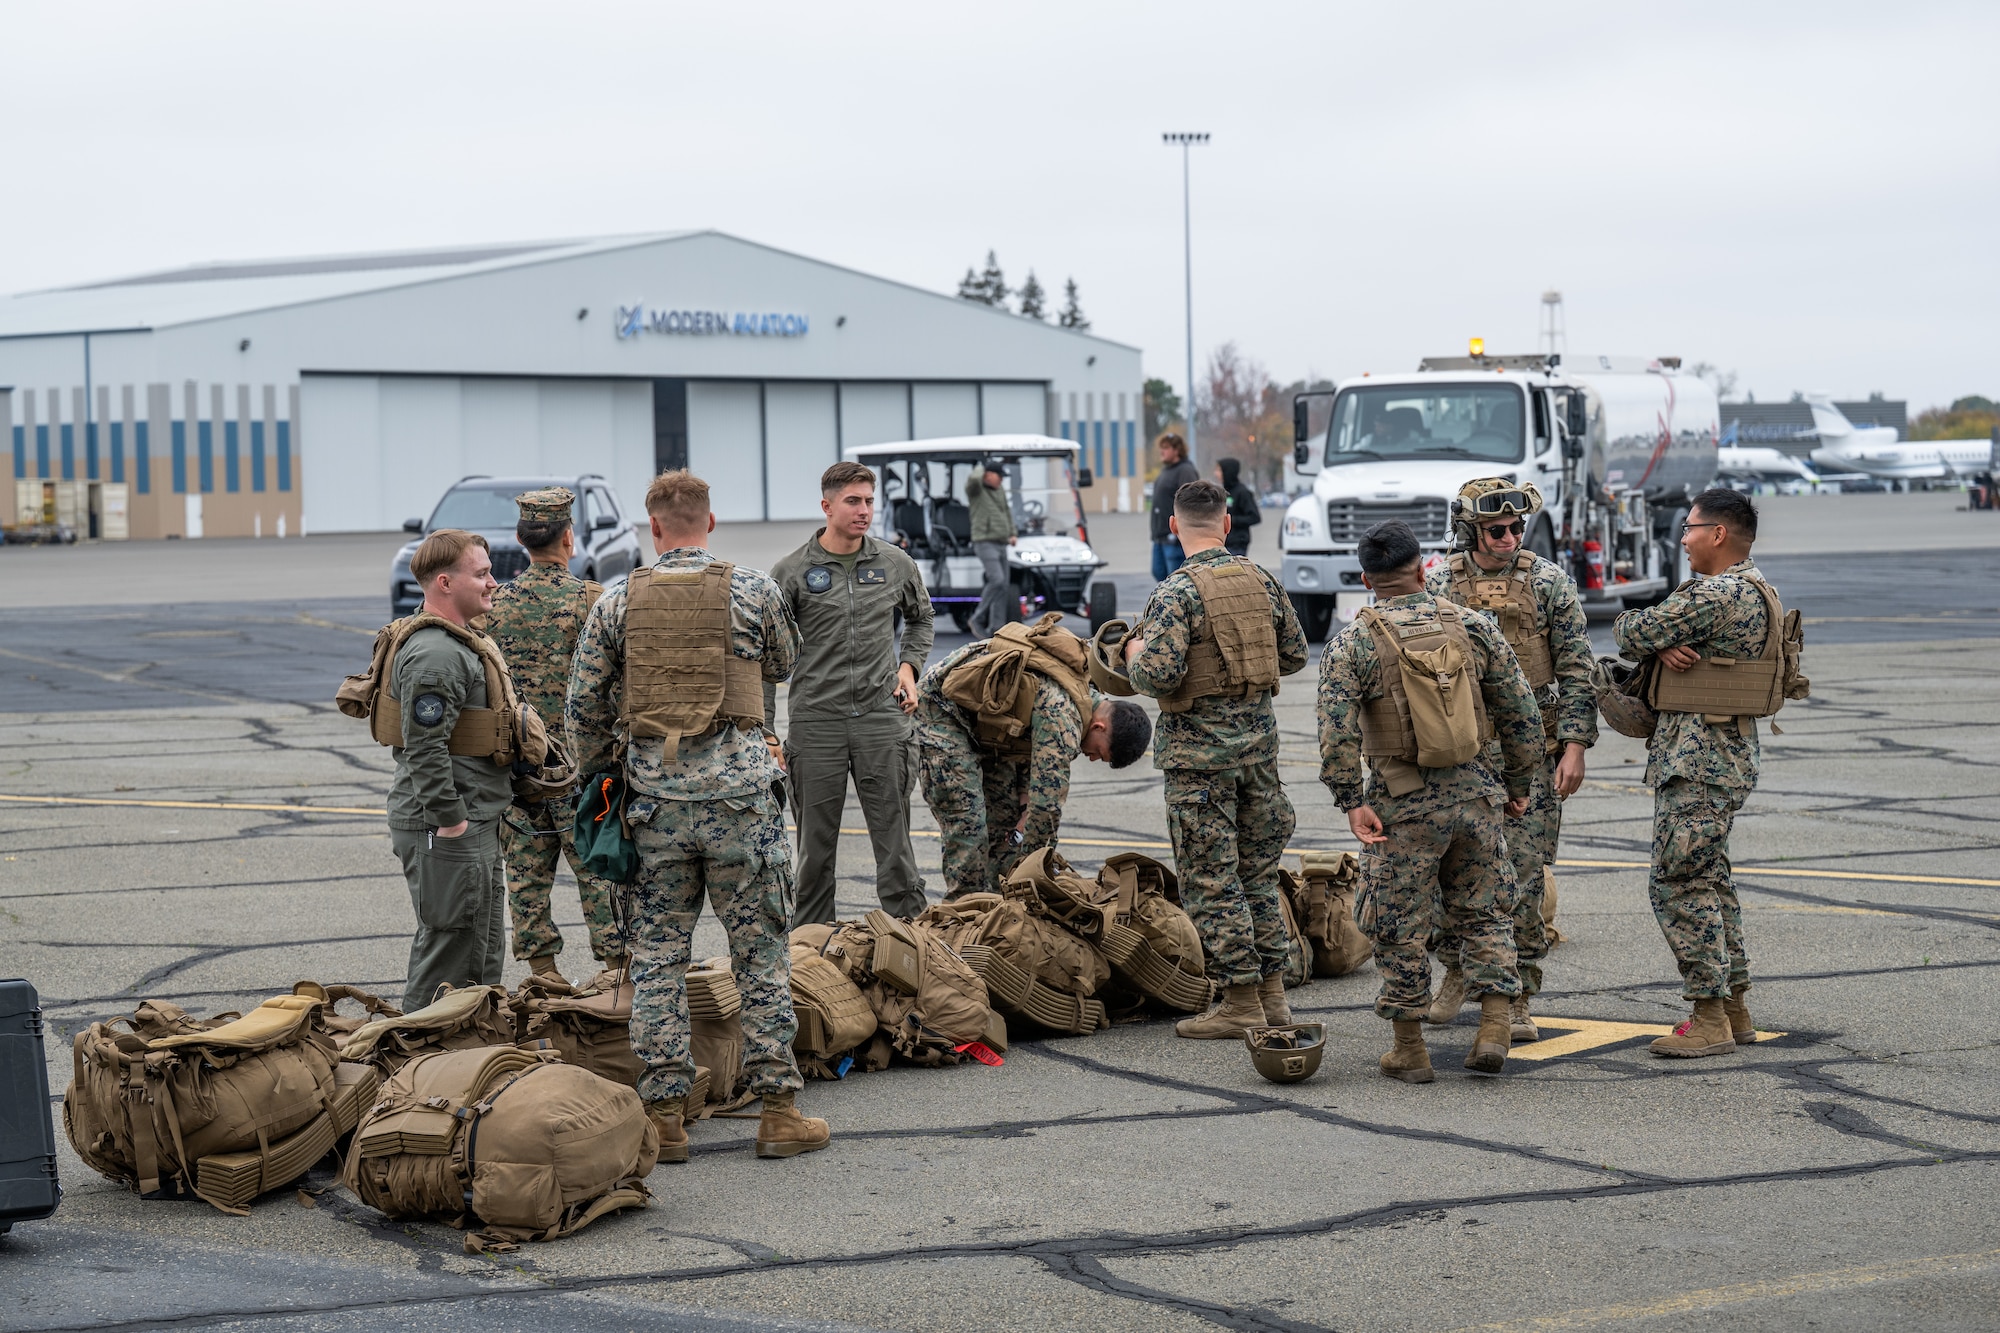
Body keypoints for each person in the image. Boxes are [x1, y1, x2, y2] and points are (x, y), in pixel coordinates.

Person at [568, 469, 826, 1162]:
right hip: (741, 804)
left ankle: (665, 1117)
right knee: (761, 955)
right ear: (709, 522)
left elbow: (584, 708)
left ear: (652, 528)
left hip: (657, 807)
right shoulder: (753, 589)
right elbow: (785, 659)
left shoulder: (618, 598)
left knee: (656, 958)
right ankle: (777, 1109)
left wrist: (607, 773)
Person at [1317, 519, 1544, 1081]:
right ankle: (1494, 1023)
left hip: (1402, 802)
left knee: (1398, 921)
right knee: (1486, 911)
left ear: (1367, 581)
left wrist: (1351, 800)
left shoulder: (1353, 641)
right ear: (1423, 570)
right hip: (1476, 793)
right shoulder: (1473, 627)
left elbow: (1335, 732)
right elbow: (1522, 714)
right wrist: (1516, 786)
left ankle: (1409, 1049)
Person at [1123, 480, 1307, 1038]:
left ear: (1174, 527)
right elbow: (1296, 653)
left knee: (1212, 881)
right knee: (1257, 876)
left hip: (1200, 765)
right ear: (1226, 525)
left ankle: (1242, 1001)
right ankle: (1274, 995)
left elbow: (1154, 675)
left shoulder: (1175, 593)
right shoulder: (1261, 579)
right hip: (1259, 756)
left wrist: (1133, 652)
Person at [1424, 479, 1596, 1041]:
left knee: (1521, 876)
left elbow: (1576, 668)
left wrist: (1574, 746)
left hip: (1531, 754)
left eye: (1517, 528)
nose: (1509, 537)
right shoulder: (1440, 584)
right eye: (1496, 529)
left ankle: (1518, 993)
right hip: (1461, 754)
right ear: (1470, 530)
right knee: (1450, 872)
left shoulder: (1548, 582)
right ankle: (1455, 969)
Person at [1613, 488, 1776, 1058]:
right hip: (1722, 754)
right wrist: (1664, 647)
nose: (1682, 539)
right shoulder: (1756, 589)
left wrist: (1653, 642)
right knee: (1711, 879)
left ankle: (1708, 1017)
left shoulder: (1719, 593)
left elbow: (1628, 631)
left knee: (1677, 882)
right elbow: (1656, 639)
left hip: (1699, 759)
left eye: (1690, 528)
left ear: (1718, 535)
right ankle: (1734, 1008)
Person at [771, 461, 935, 925]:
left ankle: (912, 947)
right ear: (827, 506)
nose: (864, 510)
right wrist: (764, 729)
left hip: (883, 721)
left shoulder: (895, 563)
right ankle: (811, 958)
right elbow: (764, 659)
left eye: (868, 501)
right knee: (814, 855)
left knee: (896, 849)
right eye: (853, 501)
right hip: (815, 723)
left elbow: (921, 619)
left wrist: (908, 667)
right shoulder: (791, 573)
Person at [482, 487, 626, 985]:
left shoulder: (493, 605)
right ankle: (614, 974)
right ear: (569, 538)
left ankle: (544, 976)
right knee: (597, 870)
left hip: (518, 765)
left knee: (525, 873)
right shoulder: (592, 599)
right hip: (579, 768)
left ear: (522, 541)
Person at [917, 621, 1153, 898]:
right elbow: (1046, 809)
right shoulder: (1065, 717)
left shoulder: (1084, 700)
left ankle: (1001, 907)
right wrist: (1037, 877)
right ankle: (963, 913)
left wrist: (1024, 802)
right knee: (969, 822)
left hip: (988, 727)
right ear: (1100, 728)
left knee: (1007, 824)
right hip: (943, 711)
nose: (1090, 759)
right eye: (1099, 753)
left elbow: (1029, 740)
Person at [386, 529, 513, 1009]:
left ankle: (465, 1052)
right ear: (444, 582)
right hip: (448, 825)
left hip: (469, 818)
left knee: (476, 944)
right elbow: (425, 747)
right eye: (481, 574)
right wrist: (451, 818)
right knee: (448, 951)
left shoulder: (460, 643)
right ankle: (417, 1058)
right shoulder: (436, 655)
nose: (493, 583)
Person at [964, 458, 1017, 636]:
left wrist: (1012, 532)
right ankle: (977, 618)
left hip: (1001, 542)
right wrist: (982, 465)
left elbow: (1006, 511)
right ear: (988, 475)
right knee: (997, 580)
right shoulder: (976, 490)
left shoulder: (999, 489)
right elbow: (972, 480)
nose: (1002, 479)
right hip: (984, 542)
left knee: (1004, 586)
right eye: (999, 475)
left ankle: (997, 627)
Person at [1149, 432, 1200, 580]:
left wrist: (1182, 531)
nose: (1161, 451)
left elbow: (1192, 501)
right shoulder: (1166, 471)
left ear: (1176, 450)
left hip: (1175, 539)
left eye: (1166, 448)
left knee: (1177, 579)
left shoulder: (1185, 470)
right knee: (1159, 573)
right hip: (1160, 536)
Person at [1215, 458, 1262, 557]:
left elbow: (1254, 517)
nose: (1216, 474)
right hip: (1223, 543)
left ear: (1227, 472)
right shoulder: (1223, 491)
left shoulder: (1242, 492)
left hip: (1237, 544)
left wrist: (1231, 520)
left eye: (1219, 470)